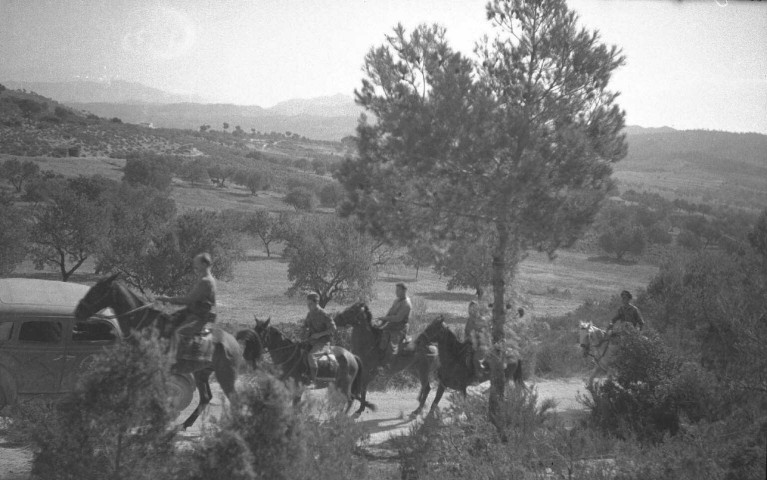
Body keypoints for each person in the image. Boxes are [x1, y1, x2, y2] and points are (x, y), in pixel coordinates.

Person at [156, 252, 217, 357]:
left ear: (204, 265)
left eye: (196, 263)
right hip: (191, 312)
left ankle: (178, 360)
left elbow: (188, 300)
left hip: (199, 316)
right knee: (166, 323)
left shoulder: (206, 281)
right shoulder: (202, 279)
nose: (194, 266)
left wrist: (167, 299)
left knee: (178, 333)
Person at [302, 292, 336, 385]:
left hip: (323, 342)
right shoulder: (309, 314)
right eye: (307, 304)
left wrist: (319, 334)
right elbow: (305, 327)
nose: (308, 306)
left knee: (311, 356)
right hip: (311, 341)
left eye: (310, 304)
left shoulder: (324, 314)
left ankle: (314, 380)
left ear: (316, 302)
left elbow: (333, 328)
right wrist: (305, 333)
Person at [378, 283, 411, 364]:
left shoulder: (407, 304)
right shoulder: (396, 300)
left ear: (404, 291)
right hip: (392, 325)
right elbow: (389, 313)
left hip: (400, 328)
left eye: (398, 290)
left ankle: (390, 364)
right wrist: (381, 323)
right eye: (396, 290)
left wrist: (384, 318)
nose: (396, 292)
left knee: (392, 346)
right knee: (378, 334)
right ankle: (380, 357)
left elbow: (397, 318)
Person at [464, 301, 489, 375]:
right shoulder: (469, 319)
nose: (472, 310)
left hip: (481, 344)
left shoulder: (482, 320)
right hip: (469, 343)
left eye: (474, 308)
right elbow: (466, 331)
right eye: (471, 308)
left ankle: (478, 375)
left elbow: (484, 333)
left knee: (476, 359)